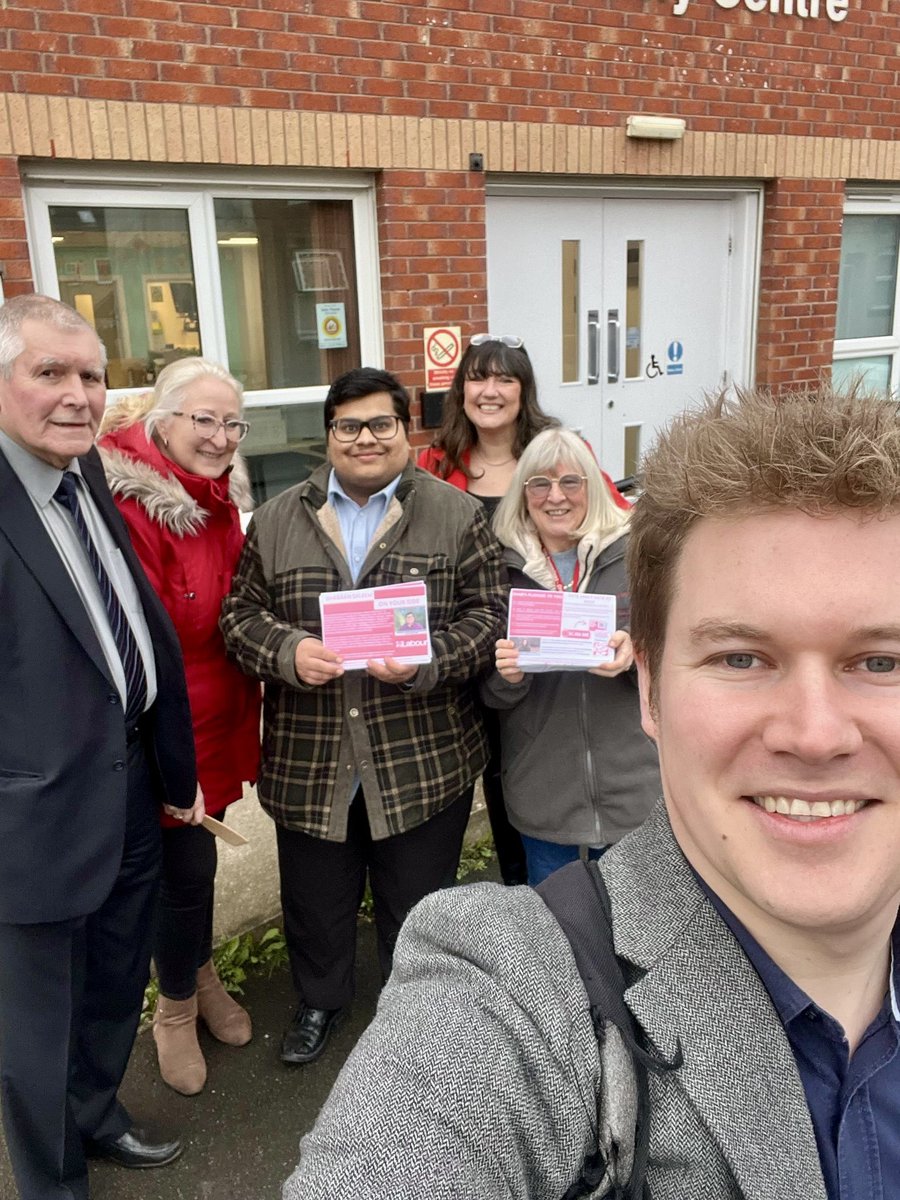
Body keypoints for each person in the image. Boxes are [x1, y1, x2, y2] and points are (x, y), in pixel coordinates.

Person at [284, 385, 900, 1200]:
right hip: (544, 791)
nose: (817, 735)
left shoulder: (616, 559)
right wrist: (499, 672)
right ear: (656, 688)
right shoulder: (506, 993)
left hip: (619, 786)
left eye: (882, 661)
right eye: (741, 659)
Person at [221, 366, 504, 1067]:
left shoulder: (455, 514)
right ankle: (321, 1001)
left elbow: (489, 616)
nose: (365, 438)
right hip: (311, 757)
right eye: (348, 426)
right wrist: (288, 651)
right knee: (317, 901)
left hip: (419, 756)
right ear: (329, 436)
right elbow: (238, 618)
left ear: (406, 431)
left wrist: (427, 660)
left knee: (419, 902)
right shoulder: (280, 519)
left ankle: (414, 1014)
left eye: (381, 423)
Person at [0, 294, 196, 1200]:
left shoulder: (87, 478)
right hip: (32, 811)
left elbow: (130, 631)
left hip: (128, 785)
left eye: (91, 374)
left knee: (118, 977)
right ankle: (51, 1178)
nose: (80, 395)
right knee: (35, 1020)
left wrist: (170, 767)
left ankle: (96, 1112)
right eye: (51, 373)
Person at [98, 358, 261, 1097]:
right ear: (161, 419)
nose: (221, 436)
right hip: (169, 729)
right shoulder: (134, 505)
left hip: (220, 714)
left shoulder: (219, 494)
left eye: (232, 423)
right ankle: (172, 1010)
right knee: (182, 876)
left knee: (199, 870)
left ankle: (197, 975)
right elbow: (142, 643)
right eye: (204, 419)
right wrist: (167, 764)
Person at [418, 335, 631, 886]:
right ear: (460, 388)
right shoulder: (437, 465)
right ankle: (526, 915)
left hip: (557, 681)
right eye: (478, 378)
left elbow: (615, 538)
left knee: (541, 778)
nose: (490, 391)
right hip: (474, 656)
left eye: (504, 379)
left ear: (523, 390)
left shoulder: (558, 455)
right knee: (512, 792)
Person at [483, 427, 660, 885]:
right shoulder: (499, 571)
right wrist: (507, 677)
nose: (555, 497)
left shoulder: (634, 555)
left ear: (592, 488)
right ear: (523, 495)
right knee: (556, 929)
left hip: (630, 784)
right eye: (539, 483)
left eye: (570, 482)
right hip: (544, 789)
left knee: (635, 928)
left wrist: (633, 652)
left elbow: (675, 649)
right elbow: (486, 694)